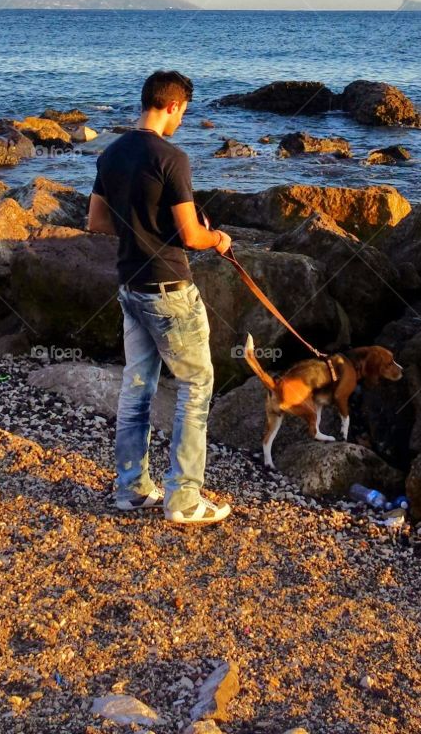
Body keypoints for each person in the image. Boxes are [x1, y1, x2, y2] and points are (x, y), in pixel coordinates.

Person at [87, 69, 234, 526]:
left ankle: (131, 488)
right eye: (183, 112)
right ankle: (184, 499)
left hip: (130, 286)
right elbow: (190, 235)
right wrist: (220, 240)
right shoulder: (171, 157)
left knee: (137, 389)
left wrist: (142, 231)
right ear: (172, 106)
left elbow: (96, 221)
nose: (182, 121)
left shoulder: (111, 153)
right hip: (169, 289)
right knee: (195, 387)